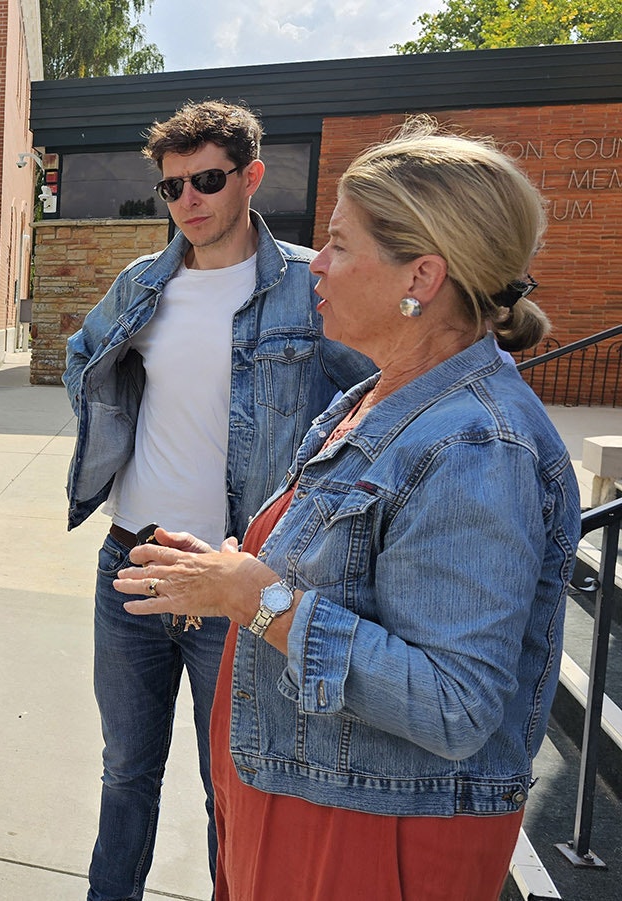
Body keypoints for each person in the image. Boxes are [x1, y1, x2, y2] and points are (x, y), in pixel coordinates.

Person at [115, 118, 580, 900]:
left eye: (339, 244)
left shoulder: (477, 446)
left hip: (368, 846)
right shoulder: (374, 397)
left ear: (421, 278)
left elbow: (454, 702)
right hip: (304, 812)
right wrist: (232, 569)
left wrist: (251, 594)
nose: (317, 265)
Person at [62, 100, 372, 900]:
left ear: (250, 177)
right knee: (125, 772)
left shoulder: (309, 286)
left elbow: (379, 390)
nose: (188, 200)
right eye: (171, 187)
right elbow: (84, 356)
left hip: (235, 579)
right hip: (132, 564)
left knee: (230, 781)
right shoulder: (144, 281)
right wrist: (109, 427)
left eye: (206, 180)